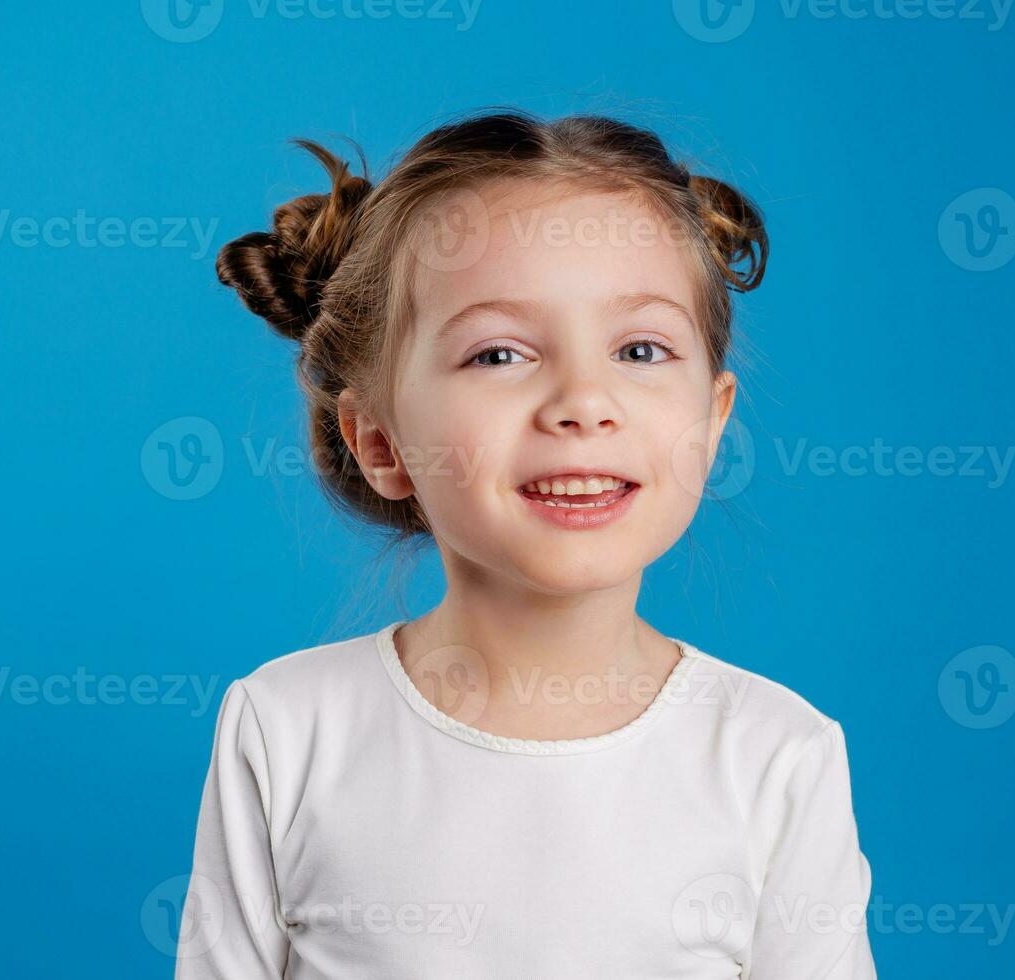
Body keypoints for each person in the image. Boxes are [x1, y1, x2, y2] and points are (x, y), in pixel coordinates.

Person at [176, 108, 877, 979]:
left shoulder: (775, 756)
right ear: (382, 443)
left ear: (713, 417)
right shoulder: (288, 731)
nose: (584, 400)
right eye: (500, 355)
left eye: (641, 348)